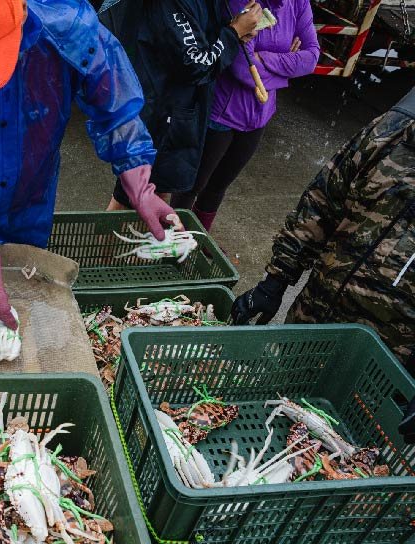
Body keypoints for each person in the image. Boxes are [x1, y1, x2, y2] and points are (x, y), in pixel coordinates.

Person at [0, 0, 176, 345]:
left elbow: (114, 101)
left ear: (21, 12)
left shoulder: (69, 32)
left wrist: (139, 179)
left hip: (26, 208)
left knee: (23, 320)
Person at [231, 87, 414, 375]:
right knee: (280, 399)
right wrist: (276, 279)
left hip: (382, 367)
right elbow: (323, 202)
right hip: (311, 323)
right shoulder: (395, 128)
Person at [173, 0, 319, 230]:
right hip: (221, 113)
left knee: (219, 186)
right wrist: (285, 72)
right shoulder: (242, 3)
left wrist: (265, 59)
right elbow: (242, 69)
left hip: (259, 116)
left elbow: (311, 58)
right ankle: (172, 242)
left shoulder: (298, 3)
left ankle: (197, 239)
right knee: (192, 185)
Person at [107, 0, 263, 211]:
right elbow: (196, 64)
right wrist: (233, 33)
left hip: (181, 114)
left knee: (158, 193)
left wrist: (235, 33)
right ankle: (105, 244)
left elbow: (202, 42)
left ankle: (146, 243)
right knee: (130, 196)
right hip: (159, 114)